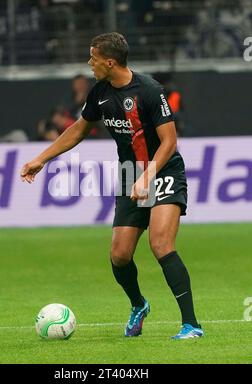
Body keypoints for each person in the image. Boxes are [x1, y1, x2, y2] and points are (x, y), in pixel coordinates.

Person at [20, 32, 203, 340]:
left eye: (92, 57)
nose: (89, 63)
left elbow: (170, 141)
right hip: (131, 173)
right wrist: (42, 158)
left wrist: (148, 175)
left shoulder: (148, 90)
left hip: (164, 170)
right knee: (119, 255)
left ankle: (191, 325)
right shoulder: (100, 92)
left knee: (160, 244)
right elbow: (79, 129)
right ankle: (139, 305)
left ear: (109, 61)